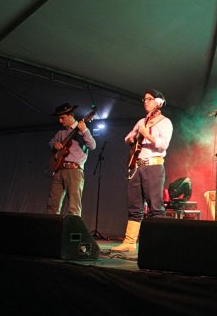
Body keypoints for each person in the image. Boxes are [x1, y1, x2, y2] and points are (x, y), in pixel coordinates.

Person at [111, 89, 173, 252]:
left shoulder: (165, 122)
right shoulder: (141, 122)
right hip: (137, 166)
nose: (145, 102)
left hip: (154, 165)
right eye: (144, 99)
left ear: (159, 102)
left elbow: (163, 144)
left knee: (155, 206)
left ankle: (158, 244)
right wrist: (132, 138)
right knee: (134, 205)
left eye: (149, 99)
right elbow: (127, 138)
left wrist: (147, 135)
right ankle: (130, 242)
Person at [47, 103, 97, 215]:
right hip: (58, 170)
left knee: (74, 207)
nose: (60, 121)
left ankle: (73, 226)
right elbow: (50, 143)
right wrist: (55, 145)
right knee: (52, 206)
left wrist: (84, 130)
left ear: (71, 115)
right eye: (59, 118)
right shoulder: (61, 133)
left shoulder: (82, 130)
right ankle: (51, 225)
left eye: (62, 118)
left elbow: (92, 146)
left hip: (74, 171)